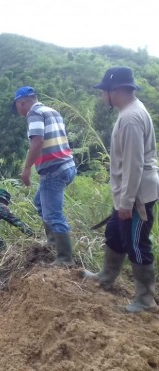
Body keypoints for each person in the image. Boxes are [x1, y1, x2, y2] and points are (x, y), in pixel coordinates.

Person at [83, 66, 159, 312]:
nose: (102, 96)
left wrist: (126, 202)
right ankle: (105, 277)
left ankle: (146, 300)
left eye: (103, 92)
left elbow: (134, 164)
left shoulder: (130, 119)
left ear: (115, 91)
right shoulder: (128, 112)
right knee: (115, 232)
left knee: (136, 243)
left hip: (137, 196)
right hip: (129, 194)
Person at [13, 86, 77, 265]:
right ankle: (52, 243)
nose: (18, 109)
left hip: (53, 170)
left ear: (21, 102)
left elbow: (37, 140)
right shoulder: (52, 111)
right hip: (67, 165)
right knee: (40, 202)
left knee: (53, 215)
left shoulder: (33, 114)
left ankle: (65, 259)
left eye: (17, 105)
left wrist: (26, 169)